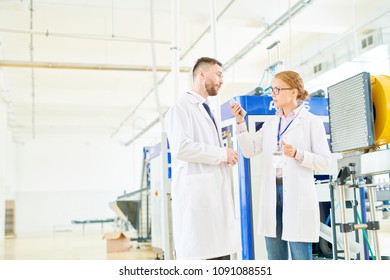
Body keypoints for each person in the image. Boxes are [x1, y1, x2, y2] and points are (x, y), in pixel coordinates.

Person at [230, 70, 331, 260]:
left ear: (293, 92)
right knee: (276, 259)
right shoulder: (271, 124)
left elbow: (325, 162)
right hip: (272, 196)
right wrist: (240, 122)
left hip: (296, 197)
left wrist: (297, 154)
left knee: (301, 259)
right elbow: (249, 150)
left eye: (277, 89)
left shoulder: (311, 123)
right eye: (271, 90)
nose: (272, 94)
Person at [164, 57, 241, 260]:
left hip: (213, 206)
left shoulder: (209, 110)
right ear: (202, 75)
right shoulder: (180, 108)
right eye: (218, 74)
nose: (221, 80)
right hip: (199, 212)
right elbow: (182, 148)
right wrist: (223, 154)